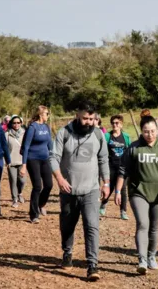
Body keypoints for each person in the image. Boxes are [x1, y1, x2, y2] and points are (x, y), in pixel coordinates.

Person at [49, 103, 110, 281]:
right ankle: (67, 253)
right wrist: (60, 179)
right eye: (85, 118)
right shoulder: (64, 133)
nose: (88, 122)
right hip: (69, 190)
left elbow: (103, 159)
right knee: (67, 225)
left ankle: (92, 265)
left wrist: (106, 183)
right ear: (77, 115)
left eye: (92, 119)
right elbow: (53, 157)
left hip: (91, 190)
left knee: (92, 226)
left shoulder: (98, 134)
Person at [115, 115, 158, 275]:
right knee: (143, 223)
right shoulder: (134, 147)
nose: (149, 134)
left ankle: (152, 256)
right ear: (141, 131)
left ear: (157, 130)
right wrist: (118, 191)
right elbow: (123, 171)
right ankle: (142, 260)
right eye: (146, 131)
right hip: (138, 192)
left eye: (152, 131)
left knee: (154, 226)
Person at [20, 106, 53, 223]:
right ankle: (34, 215)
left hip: (45, 159)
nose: (48, 116)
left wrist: (54, 157)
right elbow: (26, 147)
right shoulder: (32, 127)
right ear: (40, 115)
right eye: (46, 114)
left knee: (49, 185)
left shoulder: (46, 127)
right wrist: (23, 165)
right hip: (32, 159)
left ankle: (41, 203)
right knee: (37, 186)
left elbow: (50, 144)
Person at [100, 114, 131, 220]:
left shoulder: (126, 137)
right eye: (113, 123)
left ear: (121, 125)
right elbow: (103, 151)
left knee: (123, 189)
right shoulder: (107, 136)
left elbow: (129, 151)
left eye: (117, 123)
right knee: (111, 186)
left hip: (123, 167)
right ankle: (104, 203)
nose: (114, 125)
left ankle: (123, 211)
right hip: (110, 165)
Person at [6, 115, 27, 208]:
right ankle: (14, 199)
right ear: (11, 124)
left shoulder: (25, 133)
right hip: (11, 162)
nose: (16, 124)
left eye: (18, 122)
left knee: (22, 180)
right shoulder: (7, 134)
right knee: (13, 180)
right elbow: (4, 149)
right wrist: (6, 161)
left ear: (21, 123)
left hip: (23, 161)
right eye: (14, 123)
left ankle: (20, 193)